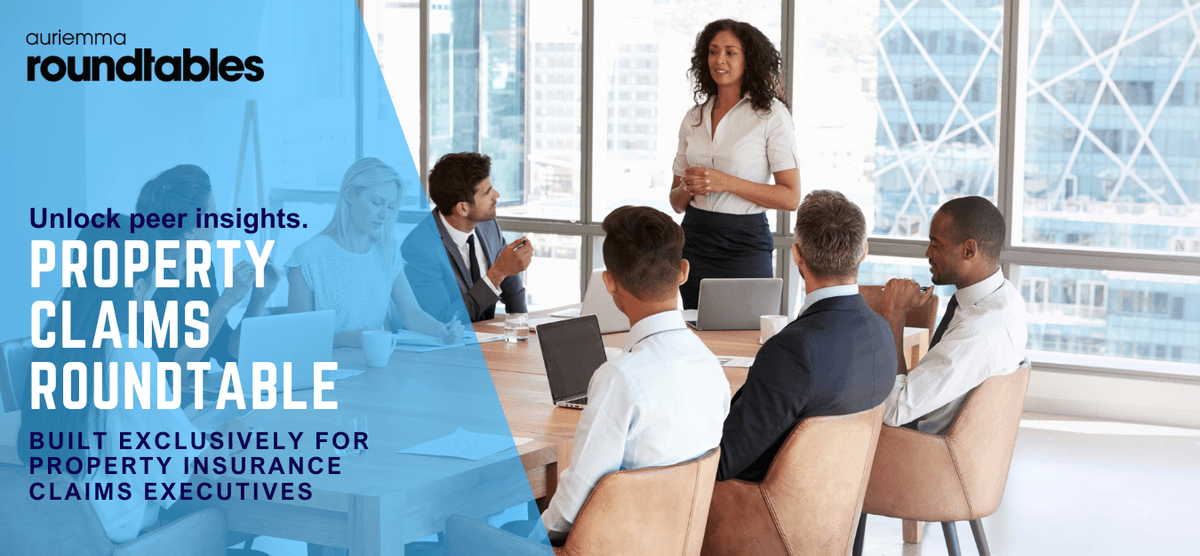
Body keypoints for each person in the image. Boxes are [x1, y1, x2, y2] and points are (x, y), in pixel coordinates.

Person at [17, 221, 250, 550]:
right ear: (139, 287)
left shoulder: (56, 341)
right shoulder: (128, 354)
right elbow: (192, 467)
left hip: (53, 535)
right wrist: (228, 434)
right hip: (115, 541)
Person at [539, 206, 730, 543]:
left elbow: (565, 516)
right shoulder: (709, 364)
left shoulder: (619, 378)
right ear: (684, 271)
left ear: (609, 282)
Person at [717, 190, 896, 482]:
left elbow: (725, 462)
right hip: (837, 510)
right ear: (863, 251)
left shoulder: (793, 350)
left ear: (797, 254)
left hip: (758, 508)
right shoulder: (882, 331)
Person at [669, 19, 801, 309]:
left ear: (748, 59)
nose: (720, 60)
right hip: (694, 242)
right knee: (697, 330)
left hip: (745, 244)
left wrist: (724, 182)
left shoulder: (771, 115)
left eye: (730, 52)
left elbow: (790, 196)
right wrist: (689, 187)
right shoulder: (694, 117)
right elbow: (676, 202)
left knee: (747, 334)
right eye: (713, 51)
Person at [879, 196, 1027, 434]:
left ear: (969, 250)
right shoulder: (1007, 297)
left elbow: (893, 411)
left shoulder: (974, 335)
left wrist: (895, 316)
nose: (928, 253)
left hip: (914, 447)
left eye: (936, 245)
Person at [286, 158, 461, 347]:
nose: (384, 215)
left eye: (390, 206)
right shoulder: (308, 257)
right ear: (349, 195)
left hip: (376, 366)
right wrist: (348, 339)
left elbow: (411, 313)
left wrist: (442, 331)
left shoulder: (387, 250)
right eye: (377, 202)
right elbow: (297, 338)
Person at [136, 164, 279, 367]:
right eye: (212, 211)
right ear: (189, 230)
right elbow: (172, 372)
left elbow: (228, 355)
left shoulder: (199, 264)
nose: (219, 216)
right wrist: (224, 302)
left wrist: (258, 298)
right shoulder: (147, 279)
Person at [401, 152, 531, 323]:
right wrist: (497, 273)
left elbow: (510, 279)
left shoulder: (487, 224)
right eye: (488, 192)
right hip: (448, 346)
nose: (497, 195)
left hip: (490, 342)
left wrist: (523, 326)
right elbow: (444, 320)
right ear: (462, 208)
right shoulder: (419, 248)